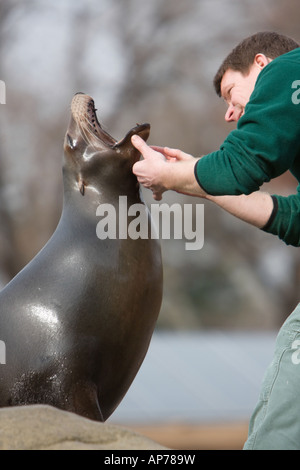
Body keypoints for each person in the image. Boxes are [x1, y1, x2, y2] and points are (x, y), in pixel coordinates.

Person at [131, 31, 300, 450]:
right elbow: (291, 219)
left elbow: (241, 164)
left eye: (230, 92)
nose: (229, 113)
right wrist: (200, 183)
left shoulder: (288, 69)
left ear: (261, 65)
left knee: (285, 414)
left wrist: (169, 176)